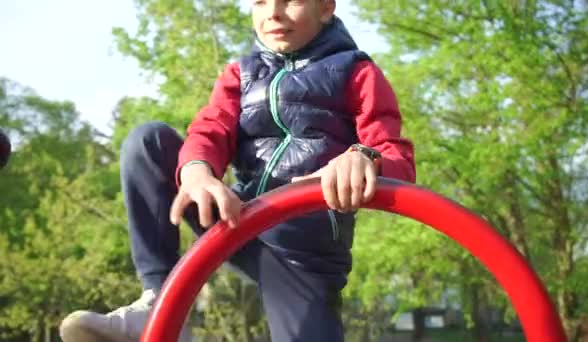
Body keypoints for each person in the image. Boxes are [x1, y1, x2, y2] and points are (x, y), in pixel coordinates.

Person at [60, 0, 415, 341]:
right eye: (260, 2)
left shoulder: (356, 72)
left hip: (303, 254)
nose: (273, 13)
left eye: (290, 1)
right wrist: (197, 171)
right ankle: (157, 301)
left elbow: (394, 154)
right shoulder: (241, 74)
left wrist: (364, 157)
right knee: (147, 142)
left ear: (325, 7)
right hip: (238, 218)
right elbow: (210, 130)